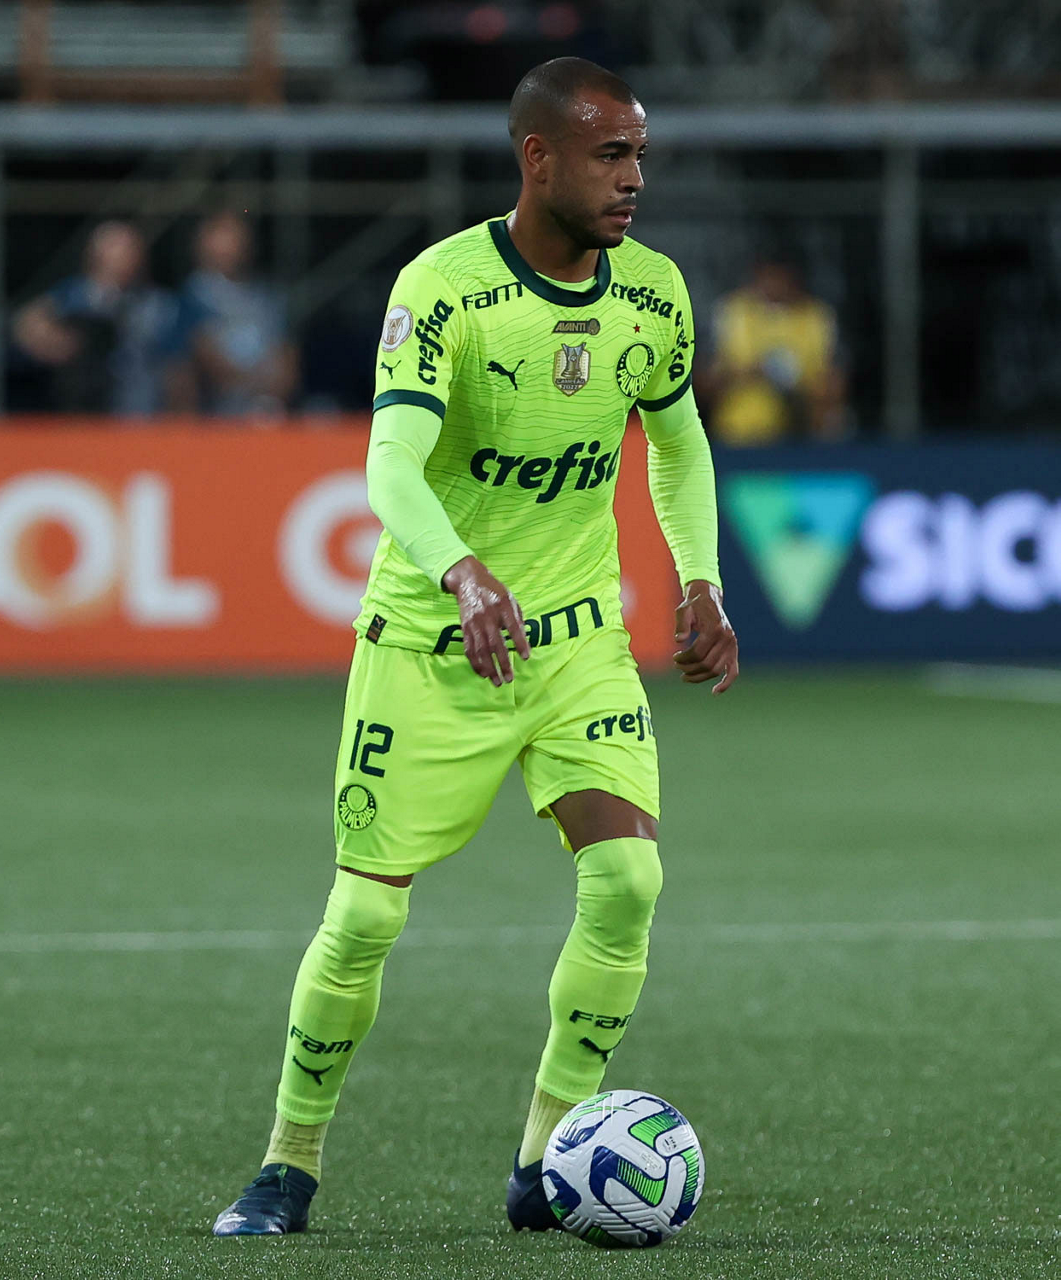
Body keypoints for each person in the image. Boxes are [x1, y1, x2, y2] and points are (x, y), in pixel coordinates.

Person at [212, 56, 739, 1238]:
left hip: (575, 644)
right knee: (364, 918)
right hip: (429, 644)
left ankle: (542, 1156)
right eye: (609, 154)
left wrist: (699, 578)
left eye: (640, 154)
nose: (633, 178)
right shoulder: (444, 288)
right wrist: (459, 570)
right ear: (537, 157)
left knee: (628, 879)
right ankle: (288, 1161)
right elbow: (390, 462)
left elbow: (677, 442)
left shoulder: (653, 294)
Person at [12, 221, 181, 415]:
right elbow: (26, 323)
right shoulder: (76, 294)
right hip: (86, 409)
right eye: (116, 247)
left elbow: (177, 366)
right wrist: (61, 344)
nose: (125, 254)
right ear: (94, 254)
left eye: (131, 247)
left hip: (140, 410)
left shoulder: (159, 304)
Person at [696, 252, 847, 444]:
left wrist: (797, 384)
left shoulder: (818, 317)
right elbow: (702, 384)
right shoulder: (730, 313)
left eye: (782, 277)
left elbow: (836, 386)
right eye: (769, 277)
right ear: (757, 276)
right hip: (739, 438)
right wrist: (750, 373)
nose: (775, 285)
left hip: (804, 439)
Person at [174, 212, 298, 417]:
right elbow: (203, 354)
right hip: (216, 414)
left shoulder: (269, 297)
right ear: (204, 245)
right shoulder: (194, 296)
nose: (230, 247)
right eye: (222, 240)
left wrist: (271, 391)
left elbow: (287, 357)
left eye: (236, 239)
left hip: (267, 412)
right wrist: (251, 383)